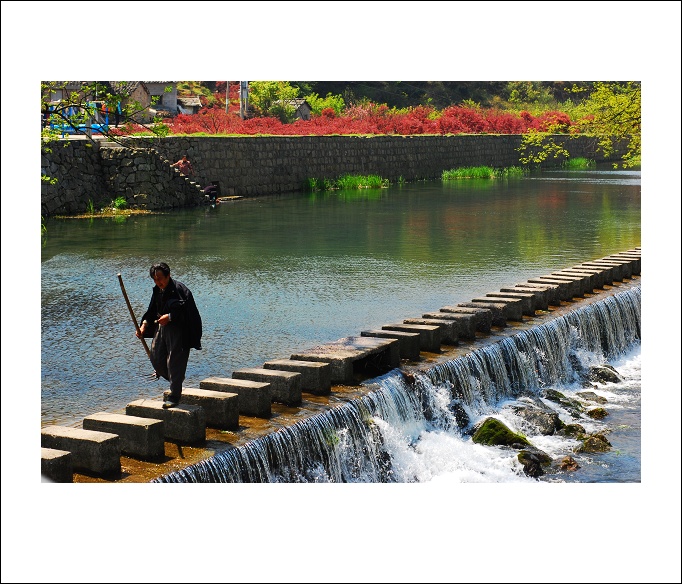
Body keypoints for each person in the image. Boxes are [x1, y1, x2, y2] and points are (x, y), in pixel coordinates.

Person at [137, 262, 202, 408]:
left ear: (168, 275)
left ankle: (174, 396)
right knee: (155, 357)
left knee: (175, 361)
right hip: (162, 328)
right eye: (155, 279)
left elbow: (187, 313)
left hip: (180, 330)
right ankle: (175, 378)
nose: (158, 282)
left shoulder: (180, 290)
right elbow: (151, 311)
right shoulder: (157, 291)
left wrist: (170, 317)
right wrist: (143, 326)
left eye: (160, 278)